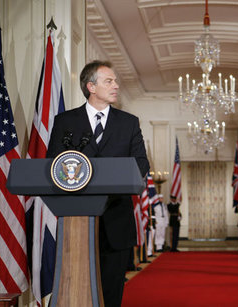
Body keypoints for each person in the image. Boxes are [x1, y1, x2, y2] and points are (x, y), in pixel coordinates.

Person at [46, 60, 149, 306]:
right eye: (109, 81)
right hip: (76, 222)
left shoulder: (129, 122)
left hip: (116, 220)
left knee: (112, 292)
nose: (116, 86)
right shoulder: (65, 122)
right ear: (91, 86)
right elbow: (53, 164)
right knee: (74, 288)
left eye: (115, 81)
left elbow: (141, 165)